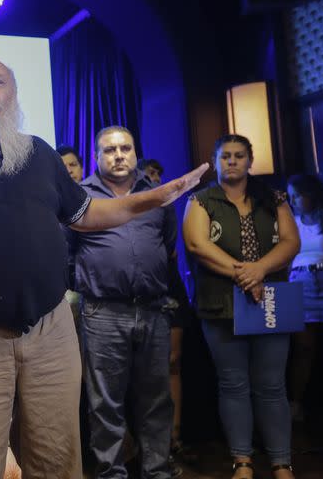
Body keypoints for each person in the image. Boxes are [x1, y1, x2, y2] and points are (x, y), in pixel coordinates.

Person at [0, 55, 207, 478]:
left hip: (49, 330)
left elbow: (86, 214)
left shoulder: (39, 152)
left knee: (56, 460)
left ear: (13, 93)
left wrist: (152, 198)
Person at [182, 134, 299, 479]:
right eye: (225, 156)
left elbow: (292, 242)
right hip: (220, 304)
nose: (231, 161)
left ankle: (282, 463)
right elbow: (197, 244)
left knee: (273, 385)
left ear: (250, 160)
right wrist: (246, 274)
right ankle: (242, 462)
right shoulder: (201, 200)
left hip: (271, 301)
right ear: (216, 161)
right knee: (232, 384)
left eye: (238, 156)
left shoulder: (273, 197)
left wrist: (260, 269)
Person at [72, 126, 177, 479]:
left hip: (153, 309)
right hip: (103, 312)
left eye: (125, 148)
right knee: (105, 404)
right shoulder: (80, 196)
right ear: (96, 156)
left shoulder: (157, 195)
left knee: (156, 402)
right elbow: (66, 254)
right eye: (109, 150)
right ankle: (111, 474)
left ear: (136, 152)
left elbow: (168, 244)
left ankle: (157, 472)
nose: (118, 155)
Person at [139, 157, 197, 473]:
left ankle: (173, 440)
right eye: (147, 174)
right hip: (135, 295)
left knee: (172, 363)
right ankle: (142, 448)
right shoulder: (127, 204)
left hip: (169, 286)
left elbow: (171, 248)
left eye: (158, 174)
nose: (153, 178)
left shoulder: (167, 206)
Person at [286, 174, 323, 421]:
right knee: (303, 348)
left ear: (312, 193)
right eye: (291, 196)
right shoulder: (291, 222)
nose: (295, 200)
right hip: (302, 282)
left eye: (298, 194)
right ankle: (296, 405)